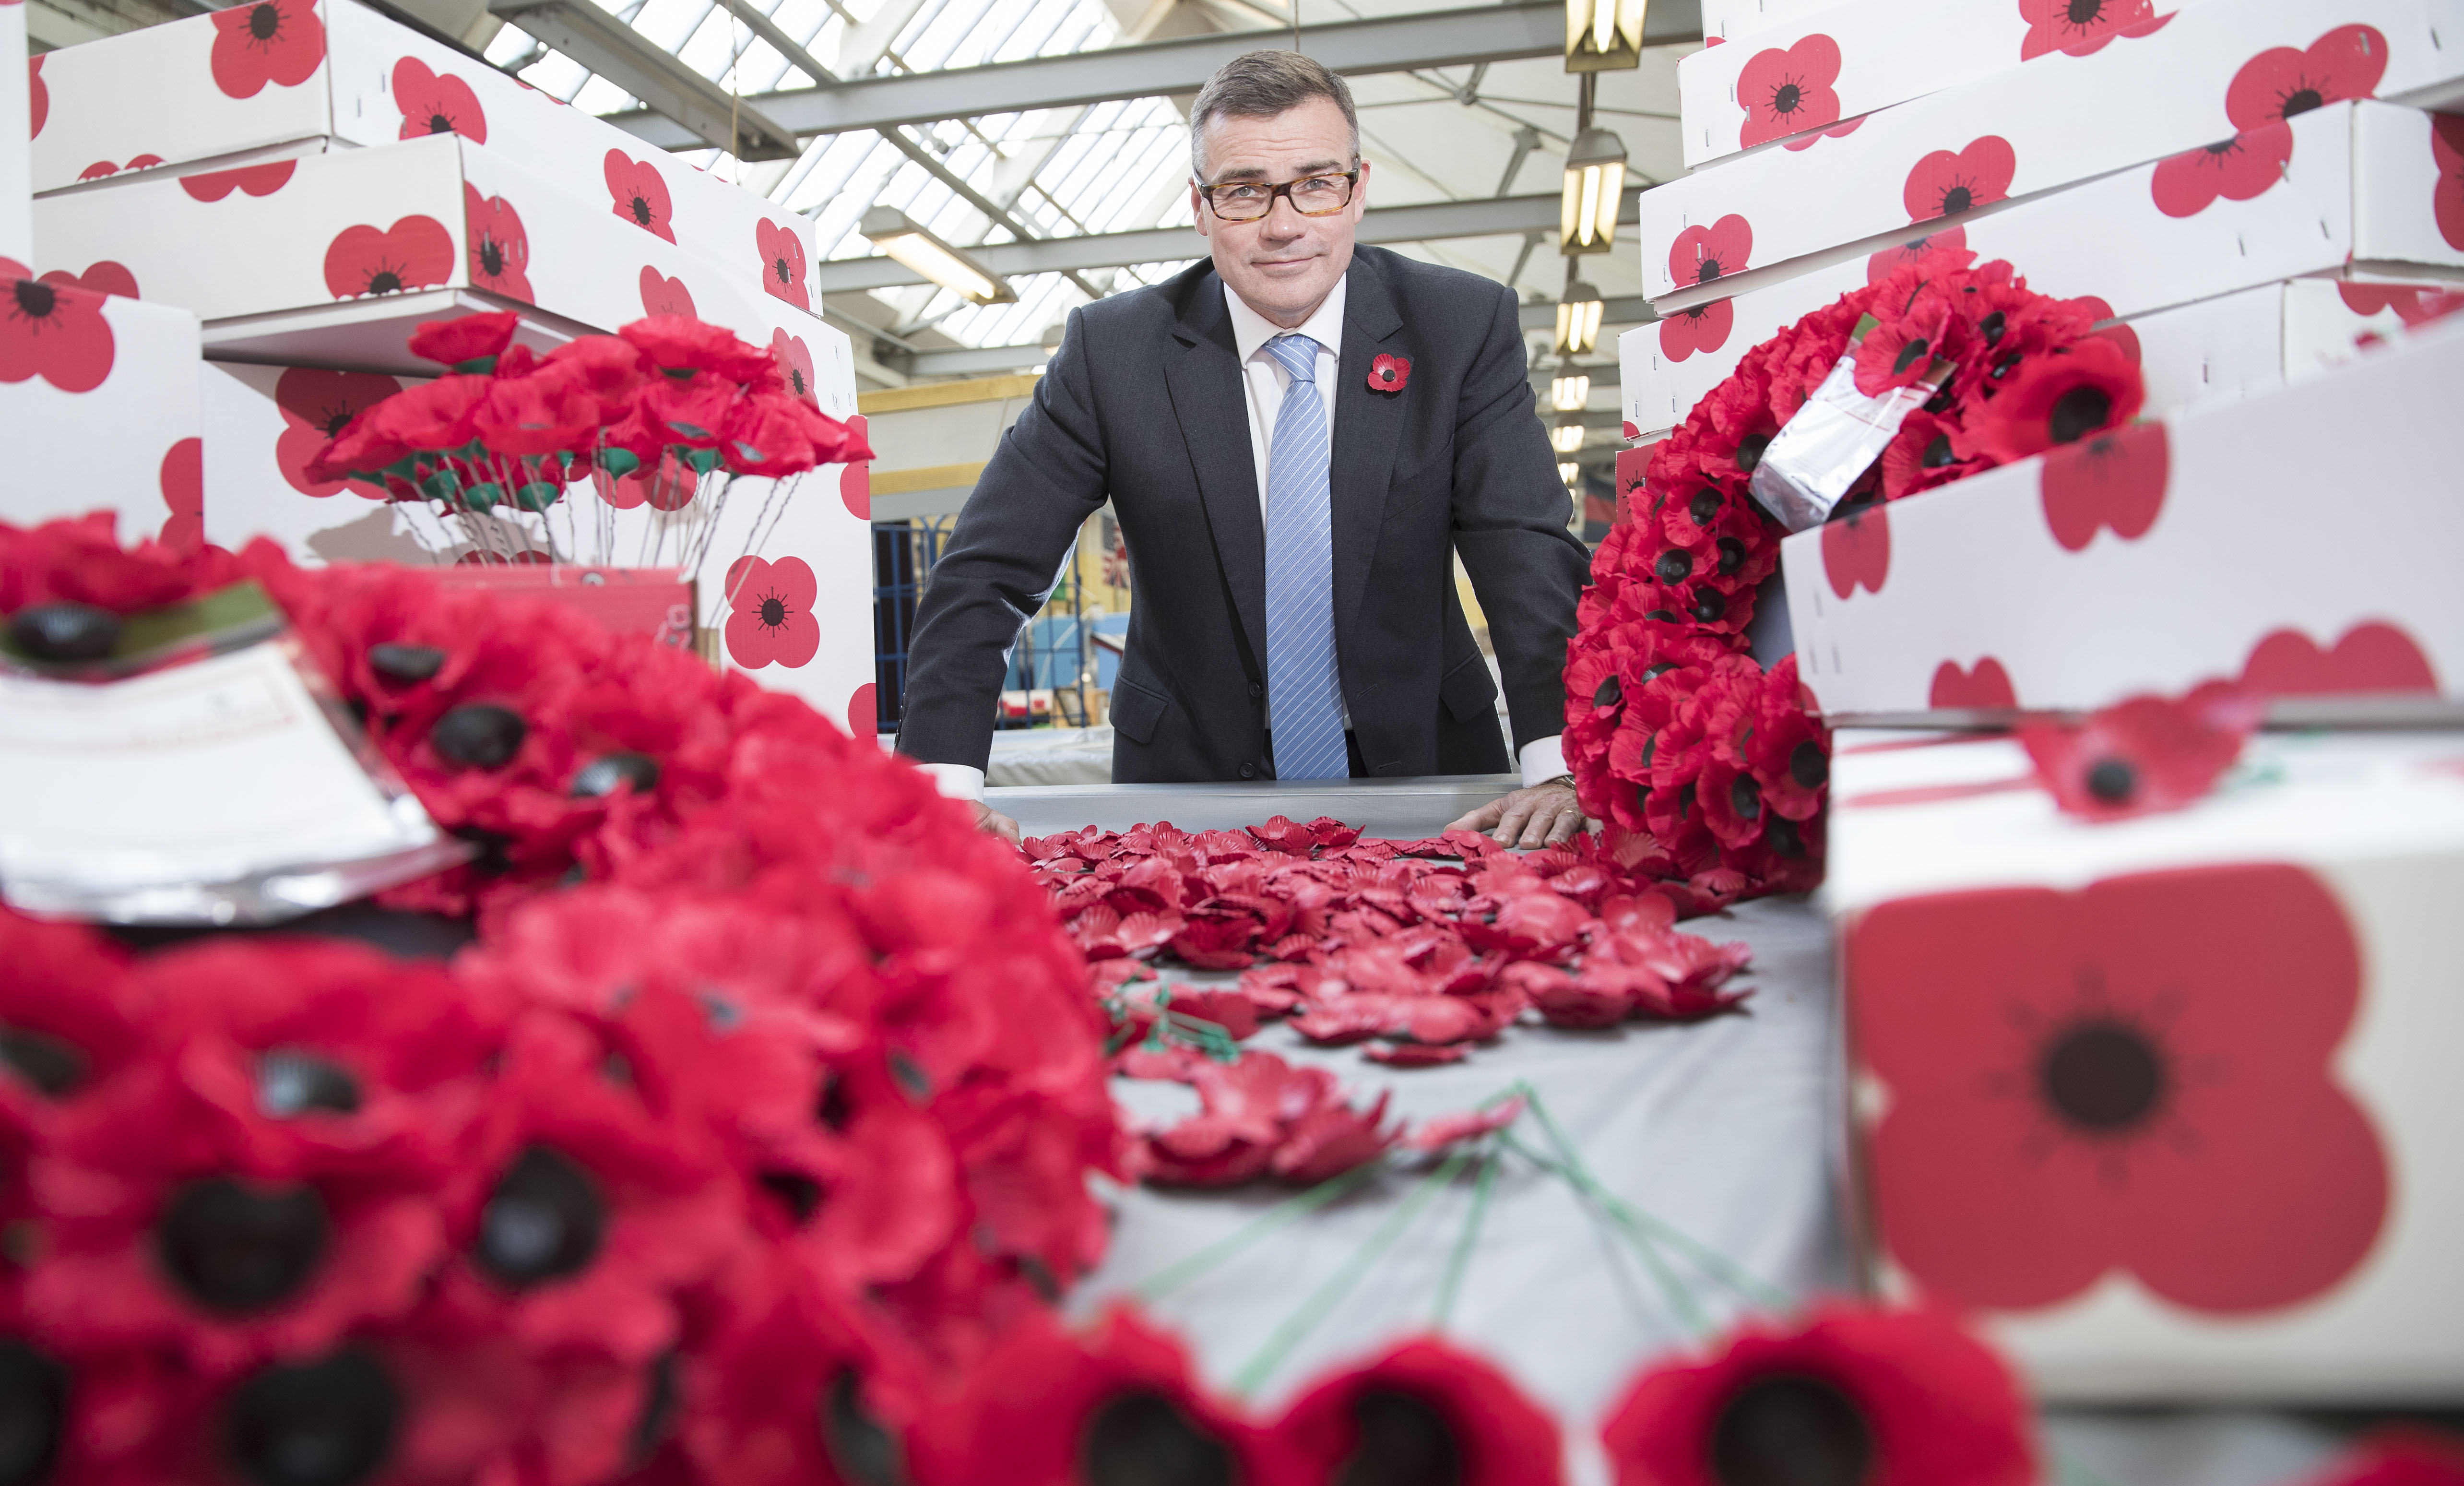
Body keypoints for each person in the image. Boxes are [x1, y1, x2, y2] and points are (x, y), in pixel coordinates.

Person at [894, 49, 1591, 847]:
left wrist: (1562, 762)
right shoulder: (1112, 354)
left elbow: (1526, 554)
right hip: (1186, 791)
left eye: (1317, 183)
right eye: (1245, 191)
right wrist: (942, 788)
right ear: (1199, 206)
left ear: (1359, 190)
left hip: (1431, 772)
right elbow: (986, 570)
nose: (1284, 225)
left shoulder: (1458, 329)